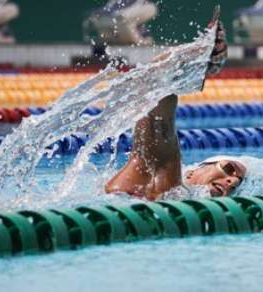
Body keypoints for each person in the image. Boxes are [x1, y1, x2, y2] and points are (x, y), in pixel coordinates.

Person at [105, 16, 247, 200]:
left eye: (237, 183)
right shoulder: (161, 179)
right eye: (229, 169)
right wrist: (197, 55)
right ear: (192, 173)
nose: (232, 182)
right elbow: (155, 85)